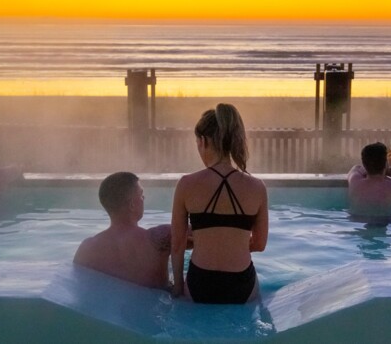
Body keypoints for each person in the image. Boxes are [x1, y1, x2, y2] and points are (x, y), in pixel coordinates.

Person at [171, 103, 268, 304]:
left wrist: (179, 286)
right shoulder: (257, 187)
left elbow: (178, 244)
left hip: (201, 282)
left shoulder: (186, 184)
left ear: (203, 141)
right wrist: (232, 242)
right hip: (241, 283)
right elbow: (259, 244)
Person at [73, 172, 172, 290]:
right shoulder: (160, 238)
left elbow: (78, 285)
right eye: (141, 195)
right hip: (159, 305)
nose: (143, 199)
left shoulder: (87, 248)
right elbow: (199, 232)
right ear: (131, 204)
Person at [347, 142, 391, 218]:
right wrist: (386, 170)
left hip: (357, 220)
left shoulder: (354, 181)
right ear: (385, 163)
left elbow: (356, 168)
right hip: (385, 221)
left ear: (364, 164)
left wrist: (371, 168)